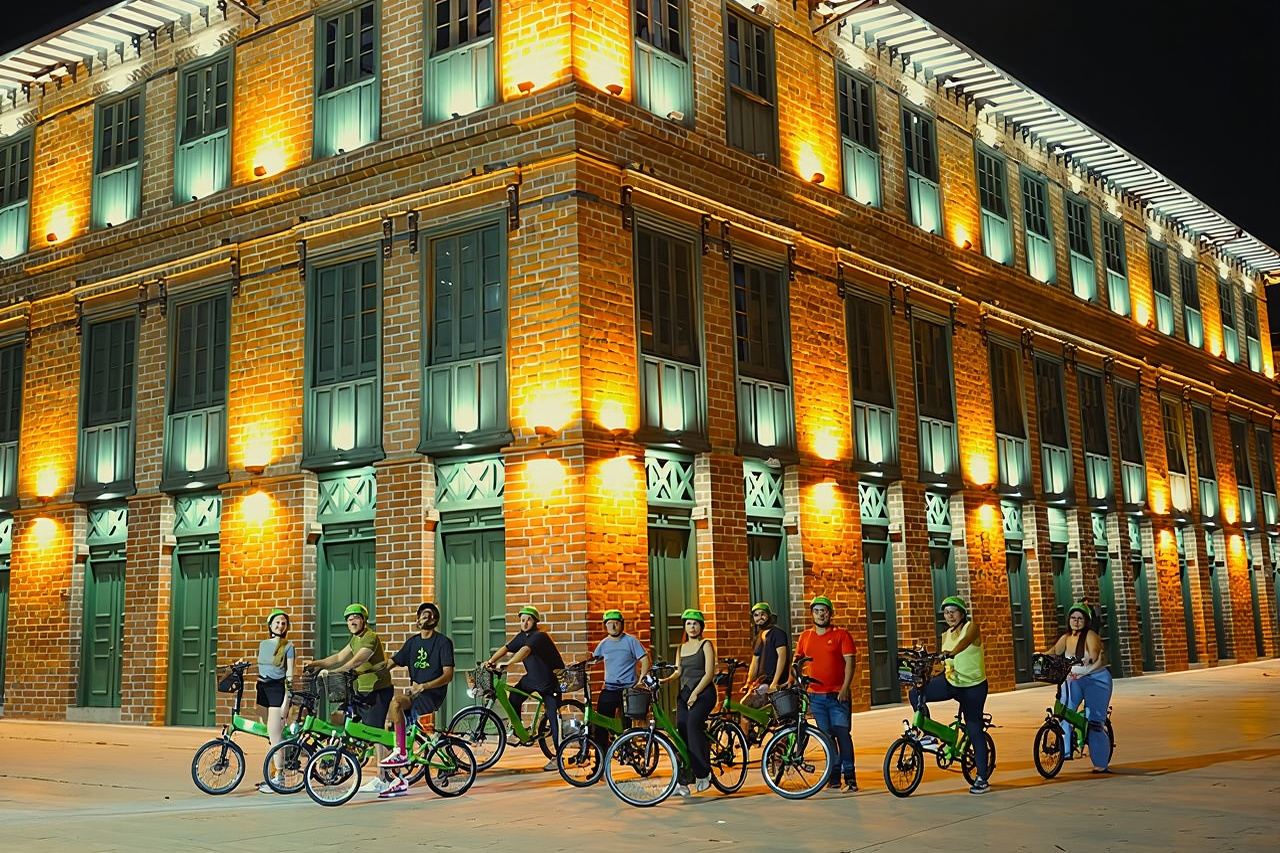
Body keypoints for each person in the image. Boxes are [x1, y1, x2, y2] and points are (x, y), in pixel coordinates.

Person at [304, 603, 395, 794]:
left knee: (375, 733)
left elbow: (357, 660)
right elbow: (339, 656)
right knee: (342, 719)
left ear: (363, 620)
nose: (352, 621)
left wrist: (332, 673)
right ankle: (348, 761)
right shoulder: (355, 639)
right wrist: (317, 664)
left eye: (356, 617)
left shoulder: (370, 637)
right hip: (361, 690)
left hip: (377, 690)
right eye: (348, 619)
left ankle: (383, 778)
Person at [908, 595, 991, 794]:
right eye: (946, 612)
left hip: (973, 686)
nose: (950, 615)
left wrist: (951, 653)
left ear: (962, 613)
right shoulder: (945, 635)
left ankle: (981, 777)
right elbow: (945, 663)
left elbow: (964, 644)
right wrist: (931, 673)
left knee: (974, 729)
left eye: (953, 611)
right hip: (952, 682)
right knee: (916, 692)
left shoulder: (971, 627)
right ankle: (928, 735)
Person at [375, 602, 456, 798]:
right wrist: (368, 671)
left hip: (432, 694)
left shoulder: (443, 642)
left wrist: (424, 686)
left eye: (429, 615)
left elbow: (448, 675)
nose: (424, 618)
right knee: (390, 727)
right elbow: (392, 663)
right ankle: (399, 776)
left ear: (435, 620)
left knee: (396, 704)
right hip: (415, 693)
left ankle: (401, 754)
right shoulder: (412, 643)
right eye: (422, 615)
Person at [485, 605, 565, 771]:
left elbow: (525, 651)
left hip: (549, 682)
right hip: (532, 679)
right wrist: (491, 660)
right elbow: (506, 648)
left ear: (535, 621)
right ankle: (517, 731)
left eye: (528, 619)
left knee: (553, 717)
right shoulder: (522, 636)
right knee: (514, 697)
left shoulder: (539, 636)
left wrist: (509, 663)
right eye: (522, 620)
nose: (525, 622)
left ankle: (559, 757)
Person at [795, 595, 857, 792]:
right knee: (827, 737)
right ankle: (834, 776)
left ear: (830, 614)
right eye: (816, 611)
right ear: (812, 614)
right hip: (816, 697)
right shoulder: (805, 636)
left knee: (842, 734)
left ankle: (850, 777)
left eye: (824, 611)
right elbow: (797, 660)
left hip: (837, 695)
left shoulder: (841, 635)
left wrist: (845, 687)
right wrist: (793, 678)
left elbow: (850, 663)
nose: (820, 614)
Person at [1047, 602, 1113, 773]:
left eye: (1080, 618)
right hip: (1073, 679)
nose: (1076, 622)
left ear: (1086, 621)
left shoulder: (1091, 636)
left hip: (1095, 680)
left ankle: (1100, 762)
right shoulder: (1066, 638)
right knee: (1064, 711)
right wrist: (1040, 657)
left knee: (1094, 722)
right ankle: (1065, 750)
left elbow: (1095, 654)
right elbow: (1054, 651)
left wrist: (1088, 662)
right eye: (1073, 618)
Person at [664, 608, 716, 796]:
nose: (692, 627)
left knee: (694, 725)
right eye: (688, 623)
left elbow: (709, 673)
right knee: (682, 731)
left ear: (701, 626)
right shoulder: (681, 648)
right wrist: (664, 680)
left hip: (704, 692)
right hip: (685, 694)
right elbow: (678, 672)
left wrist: (695, 693)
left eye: (695, 623)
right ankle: (684, 780)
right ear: (684, 627)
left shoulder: (706, 645)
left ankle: (703, 773)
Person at [590, 609, 649, 748]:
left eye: (616, 623)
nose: (613, 626)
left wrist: (641, 680)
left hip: (628, 689)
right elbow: (593, 660)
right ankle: (601, 761)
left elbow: (645, 659)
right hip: (610, 688)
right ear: (606, 626)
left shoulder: (631, 641)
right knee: (601, 724)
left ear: (622, 624)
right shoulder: (604, 643)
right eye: (609, 623)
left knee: (626, 726)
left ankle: (628, 751)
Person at [251, 608, 295, 793]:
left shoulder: (288, 646)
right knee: (270, 736)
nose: (280, 625)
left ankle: (280, 777)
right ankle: (272, 772)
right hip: (262, 689)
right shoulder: (263, 644)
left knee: (276, 737)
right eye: (277, 622)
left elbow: (290, 675)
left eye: (284, 623)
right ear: (270, 624)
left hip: (277, 690)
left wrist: (287, 700)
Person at [742, 602, 789, 709]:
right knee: (746, 708)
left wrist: (775, 682)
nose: (760, 617)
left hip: (773, 681)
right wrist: (748, 682)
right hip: (761, 681)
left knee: (746, 706)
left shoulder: (777, 633)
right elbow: (755, 661)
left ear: (769, 615)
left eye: (763, 614)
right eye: (756, 615)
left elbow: (782, 657)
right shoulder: (758, 637)